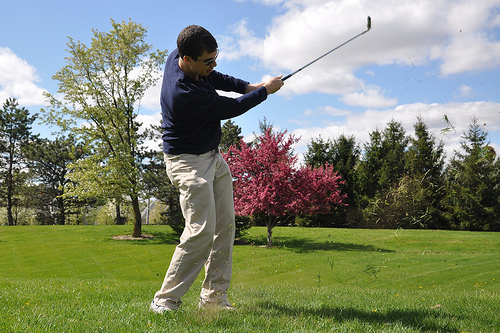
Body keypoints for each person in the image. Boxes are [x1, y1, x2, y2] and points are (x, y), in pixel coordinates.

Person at [150, 25, 283, 313]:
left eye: (215, 57)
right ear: (186, 59)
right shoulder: (183, 92)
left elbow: (217, 78)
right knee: (200, 230)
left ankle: (214, 298)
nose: (213, 65)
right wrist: (264, 93)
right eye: (207, 61)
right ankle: (165, 301)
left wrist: (250, 86)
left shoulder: (184, 58)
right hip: (187, 162)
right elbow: (228, 109)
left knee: (224, 226)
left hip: (212, 156)